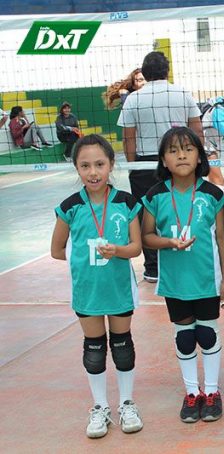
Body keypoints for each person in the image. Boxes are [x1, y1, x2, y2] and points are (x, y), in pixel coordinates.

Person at [50, 134, 144, 439]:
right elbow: (56, 249)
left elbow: (136, 248)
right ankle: (100, 406)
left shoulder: (127, 203)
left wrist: (115, 251)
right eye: (85, 165)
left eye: (100, 164)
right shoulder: (70, 206)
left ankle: (127, 403)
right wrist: (83, 262)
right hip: (87, 290)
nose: (93, 172)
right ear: (76, 168)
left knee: (122, 346)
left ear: (111, 165)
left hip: (118, 288)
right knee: (94, 349)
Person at [141, 127, 224, 424]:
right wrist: (169, 242)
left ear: (199, 156)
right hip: (175, 282)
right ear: (163, 160)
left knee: (207, 333)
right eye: (173, 150)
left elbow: (221, 238)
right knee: (184, 338)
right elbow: (147, 237)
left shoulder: (213, 193)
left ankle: (213, 392)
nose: (181, 154)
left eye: (188, 148)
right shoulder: (155, 196)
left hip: (205, 279)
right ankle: (192, 392)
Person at [118, 51, 203, 283]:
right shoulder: (182, 93)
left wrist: (134, 164)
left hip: (145, 162)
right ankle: (188, 256)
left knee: (147, 215)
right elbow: (197, 131)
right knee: (183, 208)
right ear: (167, 70)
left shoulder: (134, 99)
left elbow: (128, 138)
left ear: (144, 73)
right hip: (180, 159)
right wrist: (197, 160)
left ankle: (153, 268)